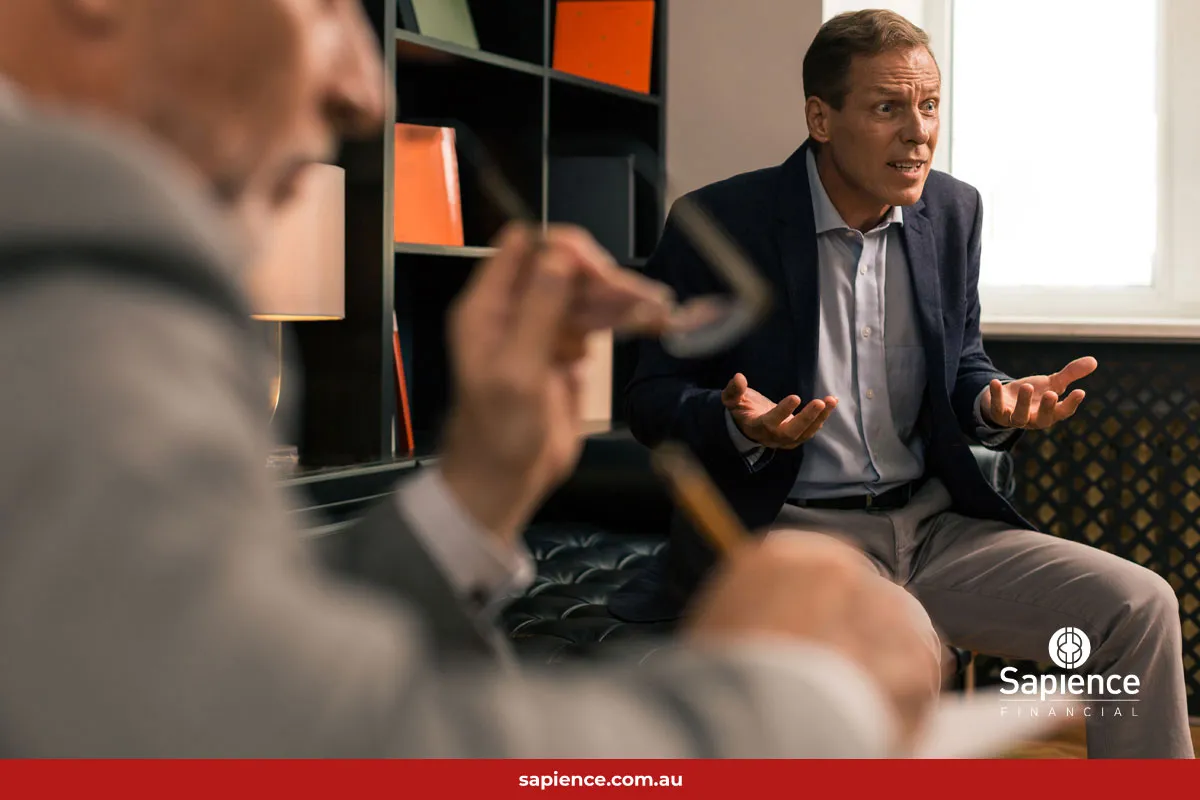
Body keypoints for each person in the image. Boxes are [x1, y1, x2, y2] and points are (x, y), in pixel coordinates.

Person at [0, 0, 942, 757]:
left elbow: (187, 660)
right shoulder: (63, 266)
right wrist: (802, 692)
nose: (364, 90)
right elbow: (304, 744)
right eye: (328, 5)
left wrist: (478, 486)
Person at [619, 9, 1192, 759]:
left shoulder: (954, 211)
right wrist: (737, 423)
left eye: (929, 105)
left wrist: (992, 402)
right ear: (821, 118)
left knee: (1139, 605)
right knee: (907, 648)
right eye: (888, 107)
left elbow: (961, 363)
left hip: (933, 527)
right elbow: (650, 397)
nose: (919, 131)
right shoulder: (721, 222)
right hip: (800, 532)